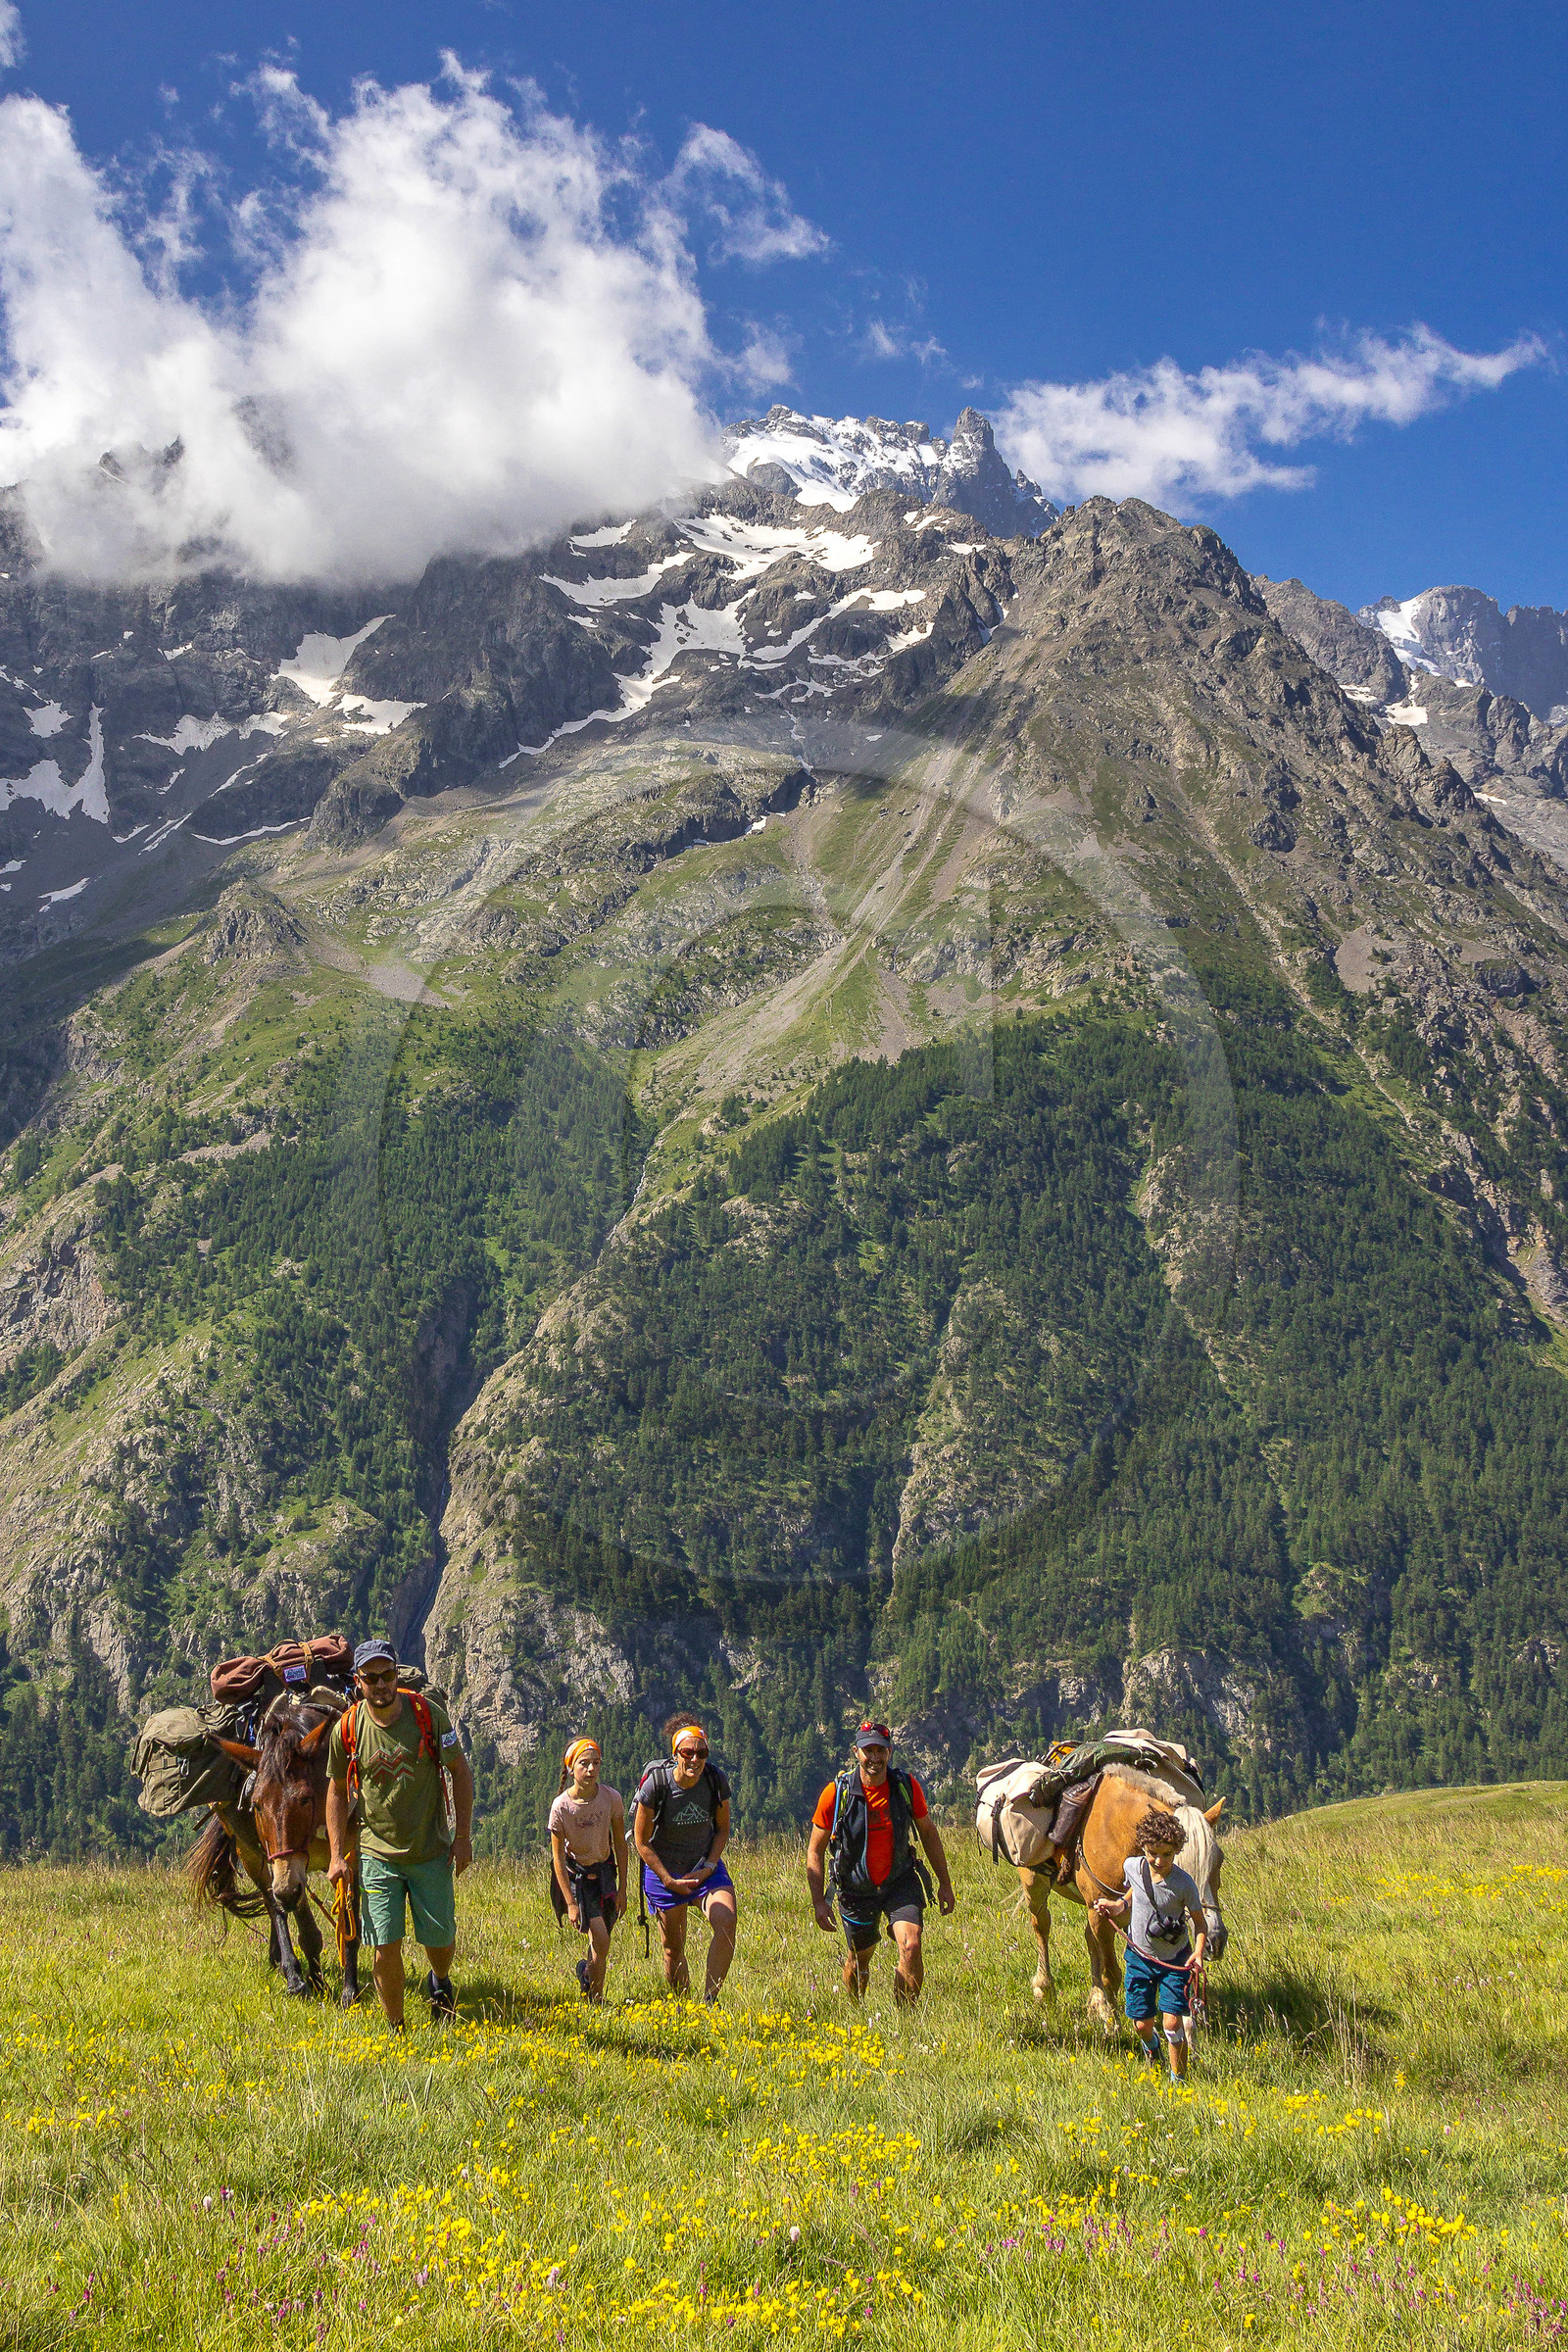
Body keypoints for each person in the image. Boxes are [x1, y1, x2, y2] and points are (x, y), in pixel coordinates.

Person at [325, 1639, 473, 2030]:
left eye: (387, 1674)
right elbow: (337, 1790)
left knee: (440, 1941)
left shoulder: (428, 1715)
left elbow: (460, 1772)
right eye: (371, 1677)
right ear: (358, 1681)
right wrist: (337, 1855)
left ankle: (439, 1980)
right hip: (376, 1854)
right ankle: (396, 2028)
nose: (381, 1684)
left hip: (430, 1850)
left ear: (396, 1674)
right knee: (383, 1947)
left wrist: (462, 1837)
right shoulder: (347, 1729)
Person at [807, 1721, 956, 2004]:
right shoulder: (837, 1793)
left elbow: (928, 1833)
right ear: (856, 1752)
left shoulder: (905, 1787)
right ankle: (856, 2009)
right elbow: (815, 1850)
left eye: (880, 1750)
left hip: (900, 1881)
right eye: (868, 1750)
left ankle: (906, 2019)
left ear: (889, 1752)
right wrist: (818, 1902)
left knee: (911, 1946)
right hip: (855, 1888)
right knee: (859, 1959)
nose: (874, 1757)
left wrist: (945, 1884)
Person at [1092, 1804, 1208, 2079]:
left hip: (1175, 1962)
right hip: (1139, 1958)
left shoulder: (1184, 1884)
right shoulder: (1132, 1867)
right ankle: (1152, 2047)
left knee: (1172, 2024)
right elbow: (1136, 1890)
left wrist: (1198, 1952)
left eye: (1167, 1855)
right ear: (1143, 1847)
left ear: (1177, 1850)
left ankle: (1179, 2080)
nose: (1158, 1861)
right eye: (1152, 1853)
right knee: (1142, 2025)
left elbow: (1200, 1923)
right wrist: (1118, 1906)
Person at [632, 1712, 736, 2002]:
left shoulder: (715, 1780)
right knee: (673, 1949)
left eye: (701, 1753)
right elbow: (641, 1841)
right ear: (675, 1753)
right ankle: (685, 2007)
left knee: (726, 1924)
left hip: (704, 1868)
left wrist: (708, 1867)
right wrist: (668, 1879)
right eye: (687, 1753)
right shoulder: (656, 1785)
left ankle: (709, 2002)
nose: (695, 1759)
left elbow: (723, 1829)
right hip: (664, 1872)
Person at [549, 1737, 627, 2004]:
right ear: (571, 1768)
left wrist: (623, 1889)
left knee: (601, 1941)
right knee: (601, 1939)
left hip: (604, 1873)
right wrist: (570, 1902)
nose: (591, 1769)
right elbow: (558, 1858)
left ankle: (588, 1980)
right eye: (584, 1763)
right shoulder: (561, 1806)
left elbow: (620, 1844)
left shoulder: (611, 1798)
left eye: (596, 1763)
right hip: (579, 1878)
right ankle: (597, 1997)